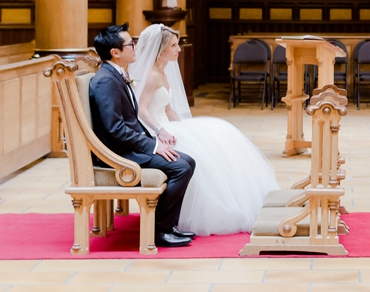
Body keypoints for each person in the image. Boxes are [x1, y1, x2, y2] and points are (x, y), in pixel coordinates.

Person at [131, 23, 280, 236]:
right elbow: (142, 112)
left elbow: (167, 108)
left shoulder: (162, 72)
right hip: (157, 131)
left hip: (169, 126)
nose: (179, 49)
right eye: (174, 45)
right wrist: (161, 131)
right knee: (208, 150)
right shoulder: (153, 76)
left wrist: (187, 129)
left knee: (221, 134)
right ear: (160, 49)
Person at [89, 23, 196, 247]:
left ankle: (168, 225)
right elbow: (115, 128)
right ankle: (159, 230)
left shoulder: (116, 74)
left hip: (128, 146)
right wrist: (153, 145)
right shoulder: (106, 81)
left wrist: (154, 141)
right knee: (181, 168)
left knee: (188, 161)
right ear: (115, 52)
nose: (136, 47)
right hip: (119, 154)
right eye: (131, 44)